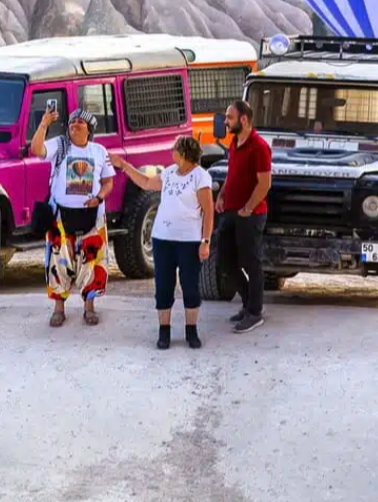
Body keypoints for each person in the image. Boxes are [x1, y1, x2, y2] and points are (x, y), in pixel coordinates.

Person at [111, 136, 214, 350]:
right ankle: (164, 331)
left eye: (175, 149)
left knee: (190, 286)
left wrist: (205, 241)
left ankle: (191, 330)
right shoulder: (168, 173)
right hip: (162, 239)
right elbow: (147, 183)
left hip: (189, 241)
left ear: (184, 154)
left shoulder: (201, 177)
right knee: (163, 286)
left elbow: (209, 211)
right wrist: (125, 166)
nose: (171, 152)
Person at [28, 102, 115, 327]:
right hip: (60, 217)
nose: (75, 124)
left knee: (92, 260)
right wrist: (44, 124)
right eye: (72, 121)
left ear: (89, 129)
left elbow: (108, 182)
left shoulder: (99, 151)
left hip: (93, 216)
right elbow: (36, 150)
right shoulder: (60, 145)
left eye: (80, 121)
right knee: (58, 261)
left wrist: (99, 198)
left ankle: (89, 307)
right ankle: (59, 309)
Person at [216, 99, 273, 333]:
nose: (226, 122)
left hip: (251, 214)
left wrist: (248, 207)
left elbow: (264, 183)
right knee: (226, 261)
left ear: (244, 120)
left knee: (251, 262)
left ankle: (255, 312)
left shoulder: (259, 146)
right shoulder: (234, 142)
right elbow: (232, 174)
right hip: (231, 211)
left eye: (230, 118)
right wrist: (221, 196)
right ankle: (249, 302)